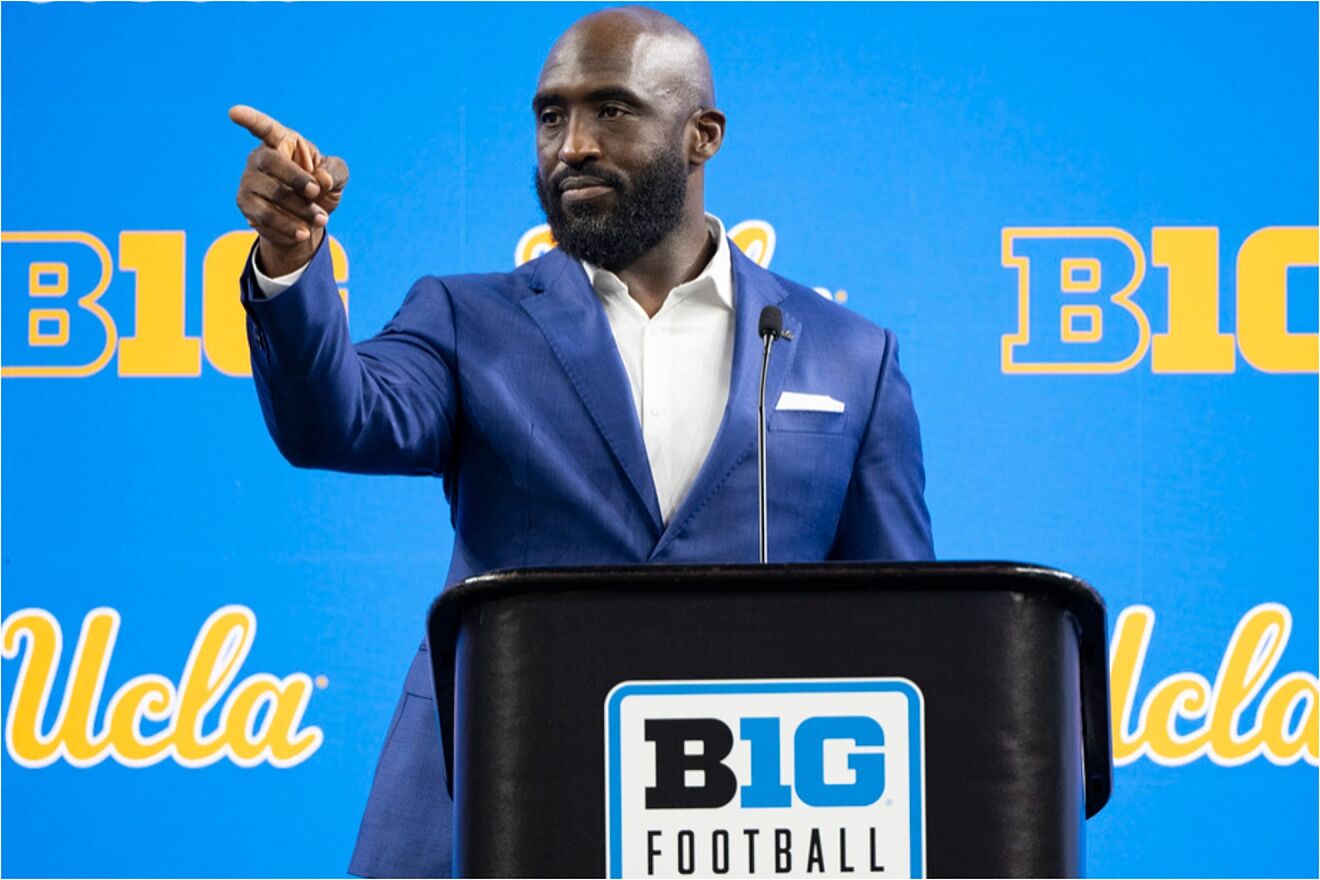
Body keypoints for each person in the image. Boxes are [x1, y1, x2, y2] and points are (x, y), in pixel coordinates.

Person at [231, 6, 933, 877]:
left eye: (613, 111)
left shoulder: (850, 353)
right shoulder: (463, 316)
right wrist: (292, 260)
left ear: (701, 135)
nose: (571, 146)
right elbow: (335, 420)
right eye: (551, 116)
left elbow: (903, 630)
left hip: (749, 824)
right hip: (495, 806)